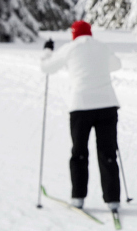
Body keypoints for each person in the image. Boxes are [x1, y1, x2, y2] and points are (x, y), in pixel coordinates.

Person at [40, 20, 122, 218]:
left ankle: (78, 198)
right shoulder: (102, 46)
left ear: (74, 34)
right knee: (107, 152)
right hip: (107, 105)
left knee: (79, 153)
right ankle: (112, 200)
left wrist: (47, 51)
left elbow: (47, 68)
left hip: (81, 106)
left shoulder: (70, 48)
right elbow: (117, 65)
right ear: (90, 32)